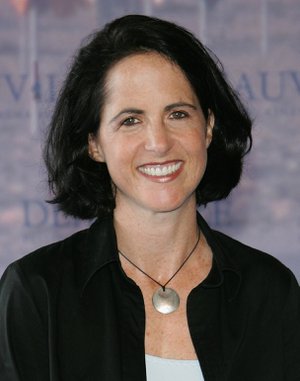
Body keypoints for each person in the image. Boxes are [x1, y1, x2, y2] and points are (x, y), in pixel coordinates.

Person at [0, 14, 299, 381]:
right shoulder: (36, 292)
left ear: (207, 127)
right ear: (93, 143)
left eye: (177, 114)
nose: (158, 143)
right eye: (130, 120)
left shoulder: (270, 290)